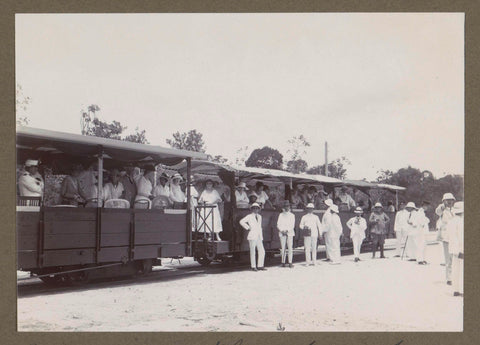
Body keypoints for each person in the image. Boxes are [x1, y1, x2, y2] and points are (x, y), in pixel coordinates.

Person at [435, 193, 456, 285]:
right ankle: (449, 278)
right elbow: (437, 211)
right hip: (446, 236)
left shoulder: (456, 210)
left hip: (455, 236)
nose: (450, 202)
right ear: (443, 201)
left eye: (451, 200)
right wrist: (443, 204)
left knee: (455, 257)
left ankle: (455, 276)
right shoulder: (442, 210)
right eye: (447, 200)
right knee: (448, 258)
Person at [239, 203, 266, 271]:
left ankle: (260, 265)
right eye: (254, 208)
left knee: (262, 251)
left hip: (259, 236)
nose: (256, 209)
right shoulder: (249, 216)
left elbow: (259, 227)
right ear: (252, 209)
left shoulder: (260, 217)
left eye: (257, 208)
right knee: (253, 251)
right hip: (252, 235)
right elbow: (241, 221)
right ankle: (253, 266)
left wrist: (261, 235)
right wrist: (248, 228)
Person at [446, 201, 464, 297]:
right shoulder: (460, 222)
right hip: (460, 249)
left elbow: (449, 236)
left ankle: (455, 290)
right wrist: (460, 250)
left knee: (455, 269)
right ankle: (461, 289)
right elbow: (460, 237)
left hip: (453, 249)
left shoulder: (451, 221)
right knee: (461, 270)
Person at [276, 200, 295, 267]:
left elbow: (292, 225)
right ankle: (283, 262)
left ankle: (290, 262)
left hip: (289, 233)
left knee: (290, 248)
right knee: (283, 248)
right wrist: (282, 231)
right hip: (282, 233)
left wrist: (287, 231)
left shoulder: (292, 215)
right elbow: (278, 224)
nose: (287, 207)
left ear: (289, 207)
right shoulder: (281, 215)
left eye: (288, 206)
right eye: (285, 206)